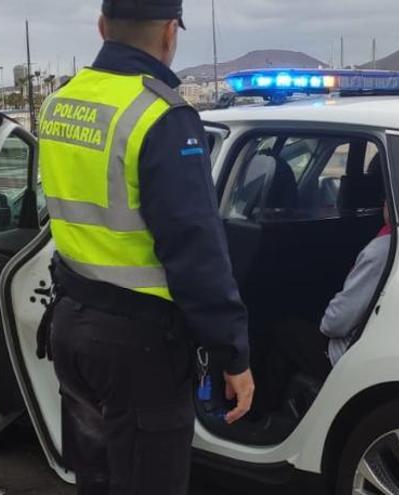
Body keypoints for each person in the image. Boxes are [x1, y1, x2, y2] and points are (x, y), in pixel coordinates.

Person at [37, 1, 254, 493]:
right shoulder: (161, 115)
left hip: (72, 326)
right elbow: (196, 250)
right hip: (139, 348)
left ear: (102, 27)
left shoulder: (59, 103)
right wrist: (233, 354)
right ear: (169, 33)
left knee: (98, 478)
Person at [269, 204, 392, 386]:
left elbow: (334, 325)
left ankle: (262, 408)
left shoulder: (380, 251)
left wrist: (324, 319)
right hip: (379, 348)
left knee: (282, 332)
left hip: (346, 355)